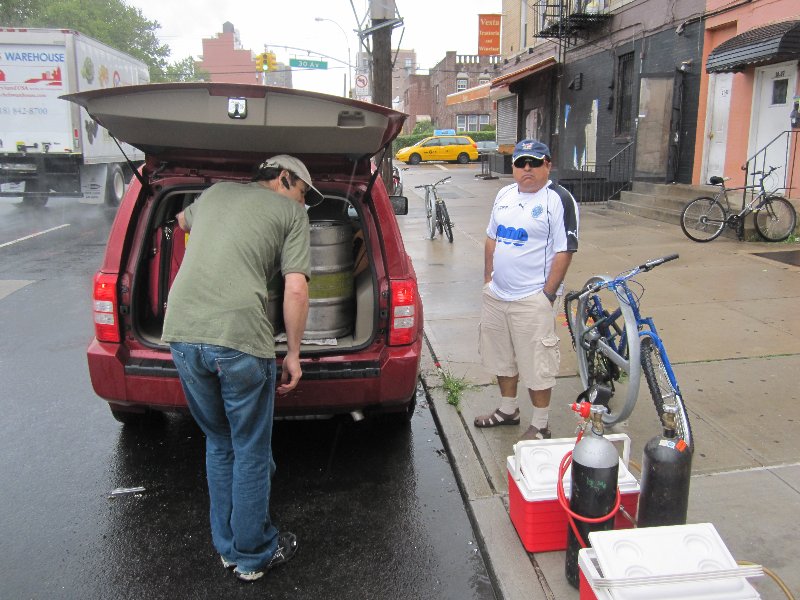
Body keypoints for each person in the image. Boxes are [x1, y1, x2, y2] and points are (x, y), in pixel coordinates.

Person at [162, 154, 322, 582]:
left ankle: (227, 549)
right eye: (303, 192)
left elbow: (180, 221)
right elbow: (296, 287)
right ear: (284, 178)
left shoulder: (214, 194)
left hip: (181, 329)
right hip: (238, 337)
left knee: (219, 441)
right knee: (250, 448)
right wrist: (292, 353)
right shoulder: (289, 214)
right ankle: (253, 556)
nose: (303, 203)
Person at [474, 140, 579, 441]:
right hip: (498, 294)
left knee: (537, 363)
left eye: (534, 162)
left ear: (548, 164)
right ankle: (508, 410)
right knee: (501, 357)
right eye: (521, 163)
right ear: (514, 168)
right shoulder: (504, 194)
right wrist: (487, 280)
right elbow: (492, 239)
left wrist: (546, 294)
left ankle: (541, 424)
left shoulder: (558, 199)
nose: (527, 168)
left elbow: (565, 250)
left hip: (532, 298)